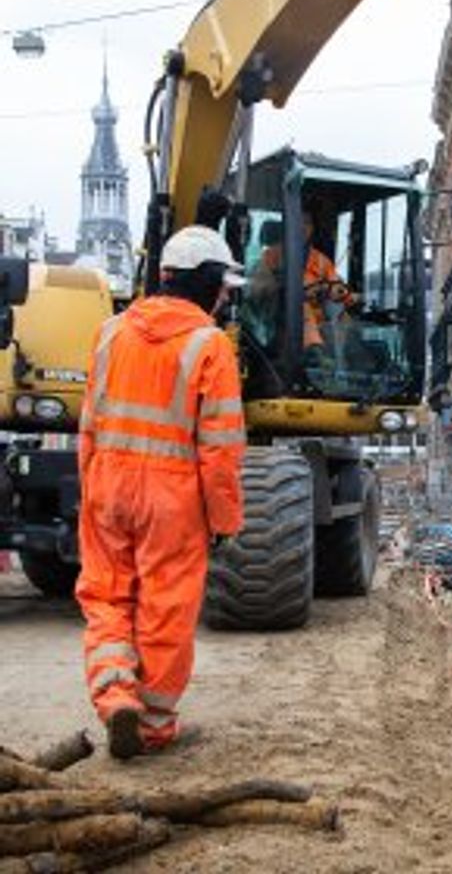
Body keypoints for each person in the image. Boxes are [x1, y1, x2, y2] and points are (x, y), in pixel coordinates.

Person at [75, 225, 246, 759]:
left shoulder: (110, 332)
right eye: (223, 286)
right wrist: (223, 520)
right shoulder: (210, 345)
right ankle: (150, 723)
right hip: (172, 496)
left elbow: (89, 423)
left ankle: (114, 694)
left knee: (106, 597)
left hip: (108, 484)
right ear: (207, 282)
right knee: (165, 607)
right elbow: (219, 449)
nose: (224, 297)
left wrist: (91, 488)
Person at [248, 200, 354, 353]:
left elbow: (336, 289)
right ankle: (313, 354)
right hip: (281, 317)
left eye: (308, 223)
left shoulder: (322, 261)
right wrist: (285, 289)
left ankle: (342, 362)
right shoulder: (273, 255)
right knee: (301, 307)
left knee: (343, 316)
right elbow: (257, 289)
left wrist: (340, 293)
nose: (303, 227)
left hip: (319, 322)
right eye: (299, 222)